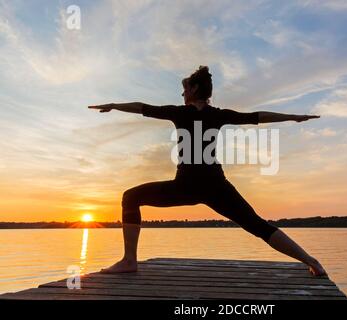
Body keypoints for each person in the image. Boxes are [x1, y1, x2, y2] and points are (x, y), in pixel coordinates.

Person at [89, 66, 326, 276]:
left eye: (184, 90)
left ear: (193, 89)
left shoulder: (180, 112)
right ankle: (311, 260)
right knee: (257, 225)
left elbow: (142, 107)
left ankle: (130, 261)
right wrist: (293, 117)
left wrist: (114, 106)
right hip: (216, 187)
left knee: (131, 197)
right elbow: (257, 117)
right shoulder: (218, 114)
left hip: (185, 187)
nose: (182, 95)